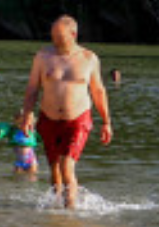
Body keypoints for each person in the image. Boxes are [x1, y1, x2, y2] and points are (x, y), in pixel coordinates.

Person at [19, 14, 112, 209]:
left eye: (60, 36)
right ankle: (57, 211)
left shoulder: (89, 58)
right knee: (54, 169)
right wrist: (28, 113)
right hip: (48, 117)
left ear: (73, 34)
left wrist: (106, 122)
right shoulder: (43, 56)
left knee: (66, 166)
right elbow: (32, 88)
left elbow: (98, 91)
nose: (55, 40)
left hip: (78, 118)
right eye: (53, 35)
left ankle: (71, 212)